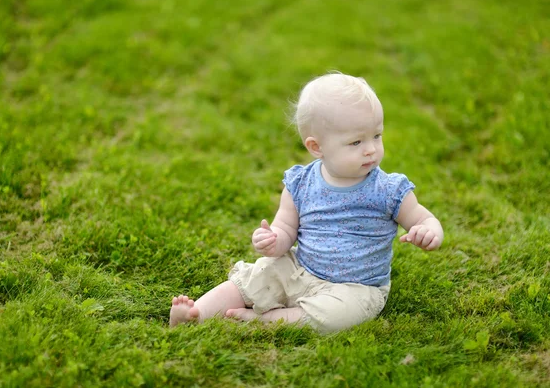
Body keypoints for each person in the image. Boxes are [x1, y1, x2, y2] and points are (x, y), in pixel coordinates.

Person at [169, 72, 444, 333]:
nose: (371, 148)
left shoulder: (389, 189)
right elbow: (286, 229)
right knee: (259, 274)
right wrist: (273, 240)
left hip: (355, 287)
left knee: (339, 314)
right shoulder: (301, 183)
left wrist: (429, 231)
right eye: (356, 141)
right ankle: (195, 313)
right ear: (316, 147)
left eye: (376, 136)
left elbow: (423, 218)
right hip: (300, 268)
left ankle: (267, 319)